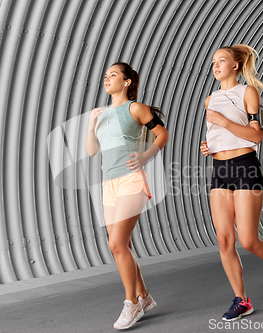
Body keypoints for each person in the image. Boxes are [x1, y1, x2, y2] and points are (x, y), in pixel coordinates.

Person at [200, 45, 263, 321]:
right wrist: (209, 146)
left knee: (249, 240)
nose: (216, 65)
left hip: (245, 167)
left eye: (222, 60)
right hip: (219, 169)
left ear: (235, 66)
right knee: (224, 240)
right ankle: (242, 301)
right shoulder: (210, 99)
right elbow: (219, 134)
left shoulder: (248, 92)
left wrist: (224, 122)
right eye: (214, 61)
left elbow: (256, 136)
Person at [86, 62, 169, 329]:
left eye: (113, 75)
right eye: (106, 75)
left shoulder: (135, 108)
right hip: (108, 184)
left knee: (116, 244)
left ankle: (130, 304)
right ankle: (144, 297)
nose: (107, 79)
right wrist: (91, 125)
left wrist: (145, 155)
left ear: (127, 82)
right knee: (124, 246)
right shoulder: (103, 113)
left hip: (130, 182)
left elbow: (162, 134)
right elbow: (91, 151)